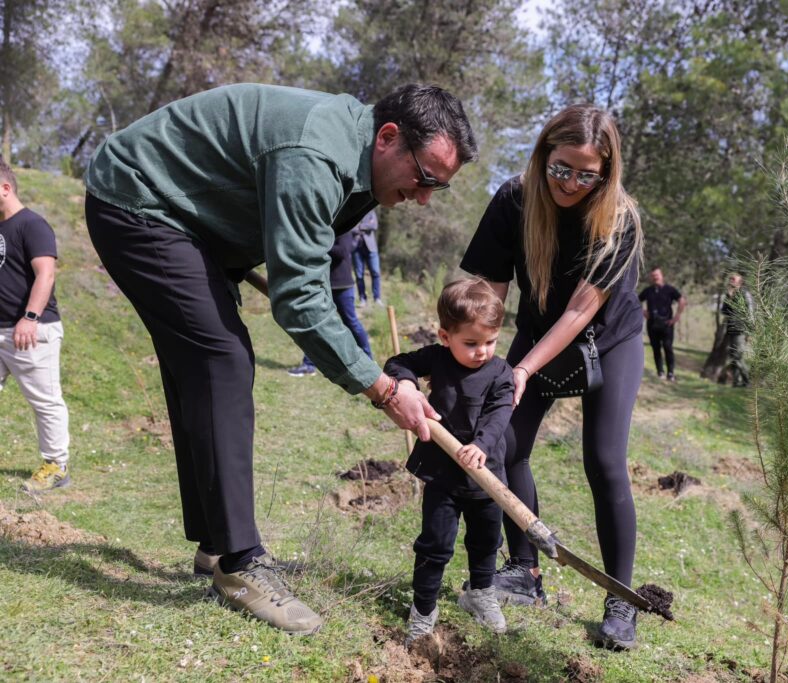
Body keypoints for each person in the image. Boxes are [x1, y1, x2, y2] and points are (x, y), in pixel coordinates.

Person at [83, 83, 475, 635]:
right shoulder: (315, 154)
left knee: (203, 364)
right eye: (426, 177)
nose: (426, 196)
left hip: (196, 226)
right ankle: (241, 564)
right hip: (140, 201)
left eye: (440, 186)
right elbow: (299, 298)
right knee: (222, 360)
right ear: (389, 137)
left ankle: (217, 544)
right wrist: (382, 388)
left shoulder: (359, 159)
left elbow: (304, 257)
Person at [460, 104, 645, 650]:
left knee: (604, 460)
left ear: (606, 172)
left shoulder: (620, 220)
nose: (569, 183)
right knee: (503, 444)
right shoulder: (515, 198)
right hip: (535, 332)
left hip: (607, 341)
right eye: (560, 167)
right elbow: (492, 288)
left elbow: (579, 313)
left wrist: (521, 369)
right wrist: (485, 360)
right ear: (543, 156)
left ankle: (620, 599)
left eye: (586, 174)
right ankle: (524, 572)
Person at [383, 278, 515, 646]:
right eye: (471, 343)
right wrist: (406, 385)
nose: (482, 352)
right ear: (445, 336)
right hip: (442, 476)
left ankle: (479, 593)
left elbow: (500, 412)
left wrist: (482, 444)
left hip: (487, 475)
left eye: (490, 342)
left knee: (487, 540)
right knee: (436, 544)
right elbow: (397, 363)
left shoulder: (501, 373)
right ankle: (423, 610)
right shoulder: (437, 358)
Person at [0, 159, 72, 494]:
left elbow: (47, 273)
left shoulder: (32, 224)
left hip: (32, 332)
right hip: (0, 331)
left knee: (45, 401)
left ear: (5, 188)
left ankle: (56, 465)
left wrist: (29, 317)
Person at [288, 231, 373, 376]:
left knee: (351, 323)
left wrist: (318, 245)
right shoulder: (322, 226)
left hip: (342, 286)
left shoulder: (345, 227)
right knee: (315, 323)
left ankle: (370, 361)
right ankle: (309, 365)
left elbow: (343, 251)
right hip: (322, 284)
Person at [638, 267, 684, 381]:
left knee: (668, 347)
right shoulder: (648, 290)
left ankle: (671, 373)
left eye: (657, 275)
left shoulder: (669, 289)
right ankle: (660, 372)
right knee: (656, 348)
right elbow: (636, 300)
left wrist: (677, 316)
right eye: (653, 275)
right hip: (652, 324)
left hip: (667, 324)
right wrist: (642, 311)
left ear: (661, 275)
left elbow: (681, 300)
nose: (655, 277)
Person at [721, 272, 754, 388]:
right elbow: (724, 311)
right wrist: (729, 297)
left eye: (733, 279)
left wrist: (750, 331)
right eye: (730, 279)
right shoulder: (729, 294)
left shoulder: (745, 294)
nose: (731, 281)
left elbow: (750, 312)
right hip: (731, 329)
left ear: (740, 282)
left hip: (741, 330)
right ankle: (736, 383)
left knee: (737, 357)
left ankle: (747, 381)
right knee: (733, 356)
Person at [352, 209, 383, 307]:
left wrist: (360, 226)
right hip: (356, 247)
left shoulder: (370, 211)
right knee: (359, 275)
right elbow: (350, 229)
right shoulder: (351, 212)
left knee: (376, 272)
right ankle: (362, 299)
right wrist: (366, 226)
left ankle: (377, 298)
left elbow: (374, 225)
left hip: (371, 247)